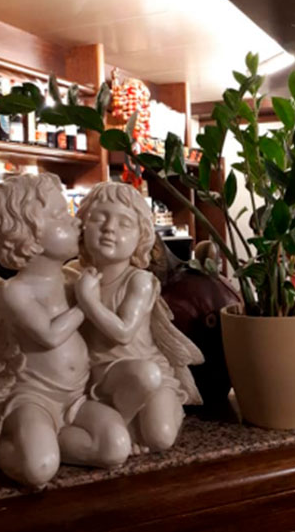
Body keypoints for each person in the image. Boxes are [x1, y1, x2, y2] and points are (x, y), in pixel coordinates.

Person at [0, 173, 131, 487]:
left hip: (76, 397)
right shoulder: (17, 291)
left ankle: (48, 443)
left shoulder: (72, 278)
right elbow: (50, 334)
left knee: (116, 447)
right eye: (60, 216)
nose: (75, 221)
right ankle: (0, 449)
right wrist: (86, 302)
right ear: (29, 236)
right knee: (38, 470)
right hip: (34, 400)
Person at [75, 182, 203, 453]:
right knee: (141, 380)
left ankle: (151, 415)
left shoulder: (139, 280)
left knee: (160, 437)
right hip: (101, 375)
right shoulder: (73, 276)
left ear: (141, 237)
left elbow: (123, 332)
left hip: (150, 373)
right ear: (82, 225)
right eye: (99, 218)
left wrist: (88, 300)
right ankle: (119, 426)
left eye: (124, 223)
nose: (110, 228)